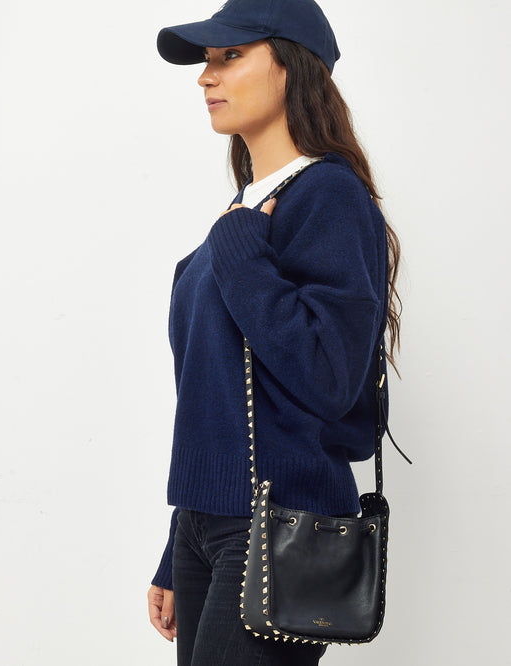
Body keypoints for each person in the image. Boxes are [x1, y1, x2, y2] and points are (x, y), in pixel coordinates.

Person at [147, 0, 402, 664]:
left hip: (279, 525)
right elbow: (215, 396)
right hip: (208, 528)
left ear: (291, 64)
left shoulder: (327, 197)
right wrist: (179, 540)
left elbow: (329, 378)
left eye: (230, 56)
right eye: (207, 60)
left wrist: (239, 248)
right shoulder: (248, 205)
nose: (206, 76)